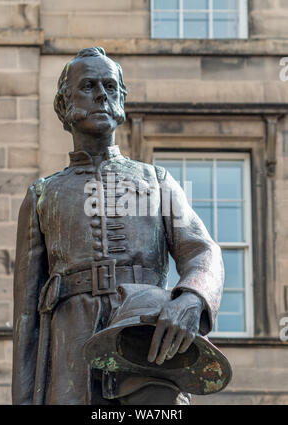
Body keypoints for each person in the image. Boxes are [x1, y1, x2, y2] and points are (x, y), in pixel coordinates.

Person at [12, 47, 224, 405]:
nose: (102, 95)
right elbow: (24, 317)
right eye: (89, 86)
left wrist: (192, 298)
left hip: (145, 347)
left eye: (111, 87)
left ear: (122, 101)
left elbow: (203, 251)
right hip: (69, 361)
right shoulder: (42, 195)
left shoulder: (156, 181)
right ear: (65, 104)